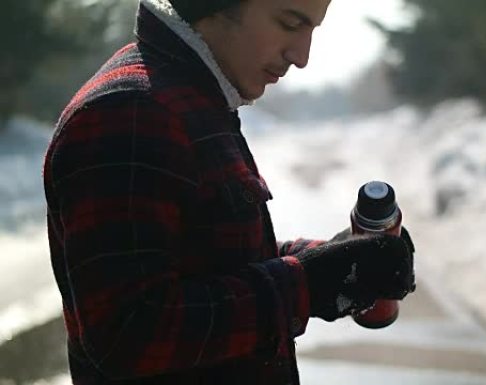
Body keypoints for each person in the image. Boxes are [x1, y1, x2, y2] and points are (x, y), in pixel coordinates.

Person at [42, 0, 416, 384]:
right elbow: (130, 332)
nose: (301, 56)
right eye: (289, 23)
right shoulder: (130, 111)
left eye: (312, 31)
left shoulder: (191, 98)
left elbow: (212, 259)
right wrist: (306, 284)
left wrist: (330, 259)